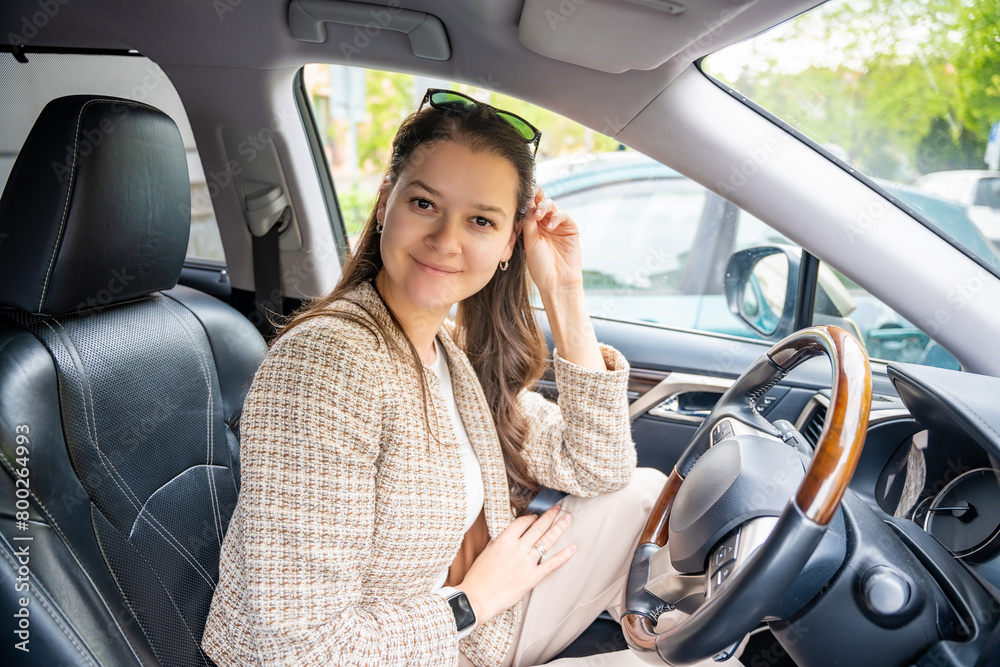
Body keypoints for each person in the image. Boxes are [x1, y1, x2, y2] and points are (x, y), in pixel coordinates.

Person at [201, 89, 738, 667]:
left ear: (510, 243)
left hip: (470, 631)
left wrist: (563, 293)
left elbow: (598, 467)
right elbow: (299, 651)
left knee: (642, 497)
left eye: (480, 220)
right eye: (425, 205)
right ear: (386, 205)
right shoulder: (325, 367)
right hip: (421, 639)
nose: (447, 241)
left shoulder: (445, 350)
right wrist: (472, 601)